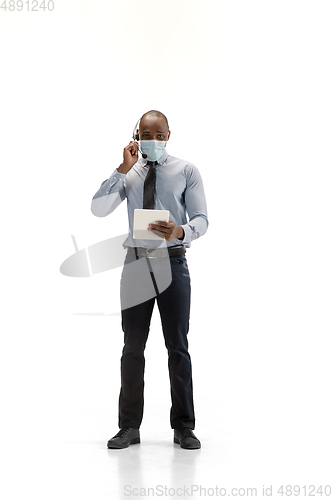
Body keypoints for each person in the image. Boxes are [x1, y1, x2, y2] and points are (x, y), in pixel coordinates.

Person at [91, 110, 208, 450]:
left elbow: (202, 218)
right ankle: (129, 427)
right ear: (136, 135)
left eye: (158, 135)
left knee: (178, 348)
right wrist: (121, 170)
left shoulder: (186, 170)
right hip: (137, 265)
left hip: (173, 262)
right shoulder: (130, 172)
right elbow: (98, 209)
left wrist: (180, 230)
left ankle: (184, 427)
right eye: (145, 134)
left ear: (169, 134)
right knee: (132, 348)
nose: (152, 141)